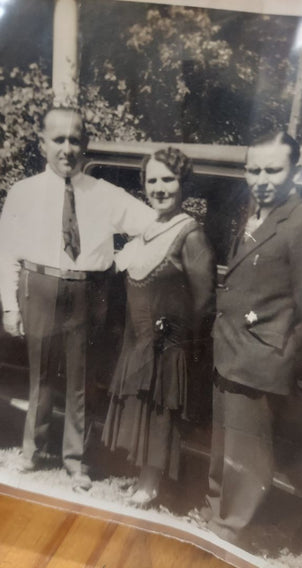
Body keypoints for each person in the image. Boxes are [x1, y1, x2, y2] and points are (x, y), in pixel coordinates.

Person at [0, 106, 156, 491]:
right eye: (58, 139)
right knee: (39, 377)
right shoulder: (23, 193)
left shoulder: (104, 194)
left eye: (75, 139)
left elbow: (154, 225)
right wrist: (8, 306)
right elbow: (6, 253)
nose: (67, 148)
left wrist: (120, 260)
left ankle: (75, 461)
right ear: (42, 144)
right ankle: (31, 451)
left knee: (80, 379)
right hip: (38, 287)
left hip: (87, 292)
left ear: (84, 143)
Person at [201, 131, 302, 543]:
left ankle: (233, 526)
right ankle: (217, 508)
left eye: (274, 170)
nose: (262, 178)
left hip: (261, 357)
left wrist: (282, 353)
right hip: (230, 349)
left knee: (247, 452)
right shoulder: (252, 214)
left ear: (295, 170)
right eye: (254, 169)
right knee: (224, 442)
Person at [102, 146, 215, 505]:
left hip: (169, 344)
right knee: (141, 406)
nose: (160, 187)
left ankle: (150, 485)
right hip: (139, 340)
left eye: (168, 179)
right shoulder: (146, 230)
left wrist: (183, 347)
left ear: (183, 184)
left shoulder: (191, 234)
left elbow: (204, 300)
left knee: (159, 412)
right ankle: (140, 476)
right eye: (152, 180)